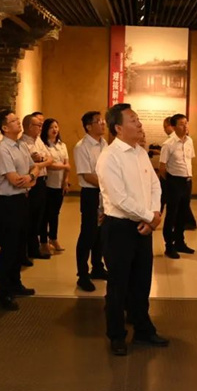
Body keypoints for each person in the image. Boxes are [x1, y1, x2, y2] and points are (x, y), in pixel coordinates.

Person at [96, 103, 168, 356]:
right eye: (133, 120)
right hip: (119, 228)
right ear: (118, 128)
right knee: (118, 284)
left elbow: (155, 185)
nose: (139, 124)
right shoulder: (109, 157)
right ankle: (116, 335)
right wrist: (151, 218)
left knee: (141, 281)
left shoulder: (139, 152)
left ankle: (143, 329)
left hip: (143, 225)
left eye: (138, 119)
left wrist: (153, 215)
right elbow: (119, 199)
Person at [0, 108, 39, 311]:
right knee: (9, 248)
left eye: (18, 119)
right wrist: (30, 178)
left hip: (21, 200)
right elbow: (14, 180)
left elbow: (35, 167)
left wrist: (30, 177)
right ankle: (4, 292)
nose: (18, 122)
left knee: (20, 245)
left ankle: (16, 283)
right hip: (8, 203)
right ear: (4, 127)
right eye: (13, 121)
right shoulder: (3, 149)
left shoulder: (20, 145)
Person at [73, 111, 109, 292]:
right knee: (88, 234)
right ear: (88, 126)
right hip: (91, 194)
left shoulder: (105, 143)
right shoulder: (82, 147)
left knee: (101, 233)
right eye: (98, 121)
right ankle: (82, 275)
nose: (103, 123)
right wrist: (109, 186)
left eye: (102, 120)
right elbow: (87, 175)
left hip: (105, 194)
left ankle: (97, 267)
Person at [159, 114, 196, 259]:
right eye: (181, 124)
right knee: (172, 215)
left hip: (187, 181)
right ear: (173, 127)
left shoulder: (189, 141)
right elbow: (162, 168)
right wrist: (171, 182)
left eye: (186, 123)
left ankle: (180, 242)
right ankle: (169, 246)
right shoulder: (168, 144)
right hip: (174, 182)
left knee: (183, 213)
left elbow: (189, 161)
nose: (185, 126)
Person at [21, 113, 53, 260]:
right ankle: (25, 251)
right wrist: (40, 162)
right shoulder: (23, 143)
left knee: (38, 217)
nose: (41, 128)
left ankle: (34, 248)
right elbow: (29, 165)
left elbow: (50, 159)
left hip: (42, 181)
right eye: (38, 125)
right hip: (31, 182)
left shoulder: (38, 140)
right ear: (29, 127)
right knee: (29, 217)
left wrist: (41, 161)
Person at [40, 118, 70, 253]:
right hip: (47, 184)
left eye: (56, 127)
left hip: (59, 184)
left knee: (55, 213)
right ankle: (44, 241)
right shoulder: (43, 145)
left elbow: (67, 164)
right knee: (46, 214)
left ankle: (53, 237)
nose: (54, 130)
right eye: (51, 127)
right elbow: (49, 165)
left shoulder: (62, 145)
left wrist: (65, 181)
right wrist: (64, 166)